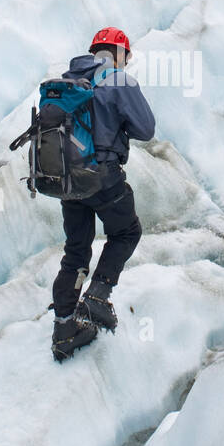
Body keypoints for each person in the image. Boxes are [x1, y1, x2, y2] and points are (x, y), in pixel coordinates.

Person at [51, 28, 156, 361]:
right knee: (126, 231)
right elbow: (146, 129)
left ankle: (64, 328)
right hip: (102, 176)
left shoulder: (66, 82)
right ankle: (97, 295)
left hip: (67, 179)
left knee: (76, 251)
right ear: (119, 53)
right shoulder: (119, 81)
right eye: (128, 56)